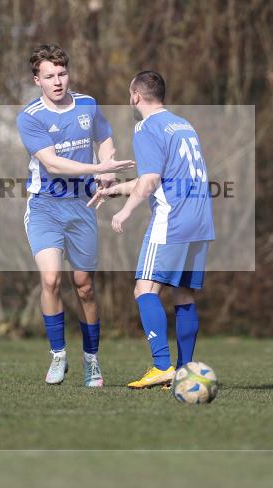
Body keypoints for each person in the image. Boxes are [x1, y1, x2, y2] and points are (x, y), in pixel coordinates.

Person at [16, 44, 134, 387]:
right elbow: (53, 163)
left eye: (62, 74)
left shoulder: (88, 104)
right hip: (44, 208)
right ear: (37, 80)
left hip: (82, 208)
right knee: (51, 279)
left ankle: (92, 360)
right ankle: (58, 356)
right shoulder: (30, 116)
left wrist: (108, 168)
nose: (57, 81)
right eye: (49, 76)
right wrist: (99, 166)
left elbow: (105, 138)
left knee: (84, 287)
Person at [89, 70, 214, 389]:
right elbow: (163, 176)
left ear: (135, 96)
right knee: (183, 294)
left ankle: (161, 366)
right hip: (200, 219)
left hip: (172, 219)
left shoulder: (146, 127)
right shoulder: (183, 125)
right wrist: (113, 191)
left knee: (144, 289)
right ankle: (186, 372)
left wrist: (126, 211)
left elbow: (150, 180)